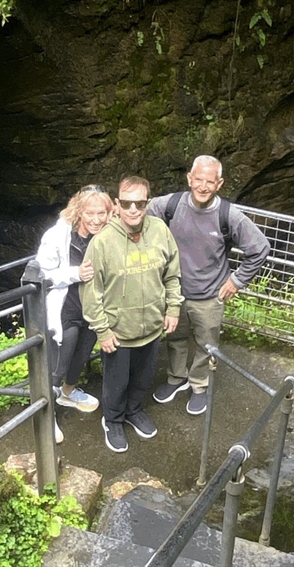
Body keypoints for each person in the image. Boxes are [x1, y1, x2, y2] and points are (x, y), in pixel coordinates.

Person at [148, 155, 270, 415]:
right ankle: (176, 378)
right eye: (198, 179)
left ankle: (199, 385)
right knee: (175, 338)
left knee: (206, 343)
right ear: (189, 178)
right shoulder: (169, 205)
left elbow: (259, 248)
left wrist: (237, 280)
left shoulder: (229, 215)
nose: (203, 186)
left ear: (219, 184)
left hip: (210, 294)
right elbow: (136, 214)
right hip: (175, 292)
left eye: (209, 181)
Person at [82, 176, 183, 453]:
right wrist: (102, 330)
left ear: (148, 203)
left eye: (140, 203)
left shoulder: (160, 230)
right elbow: (91, 291)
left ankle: (134, 411)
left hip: (151, 326)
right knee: (116, 383)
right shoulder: (102, 242)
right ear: (117, 204)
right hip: (118, 331)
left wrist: (173, 308)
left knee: (142, 378)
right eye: (127, 203)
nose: (133, 209)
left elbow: (172, 273)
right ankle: (112, 420)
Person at [36, 184, 113, 443]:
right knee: (58, 365)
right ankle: (46, 415)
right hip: (65, 310)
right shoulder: (58, 236)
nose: (96, 219)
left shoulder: (108, 234)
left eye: (102, 213)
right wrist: (75, 273)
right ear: (79, 211)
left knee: (80, 357)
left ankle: (68, 393)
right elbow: (42, 274)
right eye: (90, 213)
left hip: (91, 309)